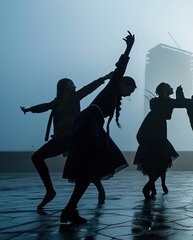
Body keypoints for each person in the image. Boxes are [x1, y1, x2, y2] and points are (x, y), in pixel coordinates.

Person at [60, 31, 136, 224]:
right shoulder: (113, 86)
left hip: (91, 124)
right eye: (130, 89)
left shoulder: (114, 95)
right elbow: (120, 67)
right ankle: (70, 210)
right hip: (89, 124)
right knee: (89, 168)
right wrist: (129, 48)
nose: (130, 93)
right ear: (123, 83)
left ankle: (70, 210)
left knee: (87, 172)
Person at [21, 72, 112, 209]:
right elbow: (45, 106)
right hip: (60, 137)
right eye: (71, 84)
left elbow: (89, 88)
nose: (75, 86)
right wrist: (29, 109)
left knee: (39, 157)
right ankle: (51, 190)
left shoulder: (75, 98)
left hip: (71, 137)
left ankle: (96, 190)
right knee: (82, 164)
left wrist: (105, 78)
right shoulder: (57, 102)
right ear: (64, 87)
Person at [134, 83, 188, 199]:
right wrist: (179, 93)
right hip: (156, 130)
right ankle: (149, 185)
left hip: (151, 128)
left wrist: (177, 94)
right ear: (164, 90)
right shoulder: (167, 102)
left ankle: (153, 185)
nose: (171, 88)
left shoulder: (155, 101)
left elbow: (174, 104)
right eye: (170, 87)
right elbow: (181, 103)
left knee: (156, 159)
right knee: (161, 160)